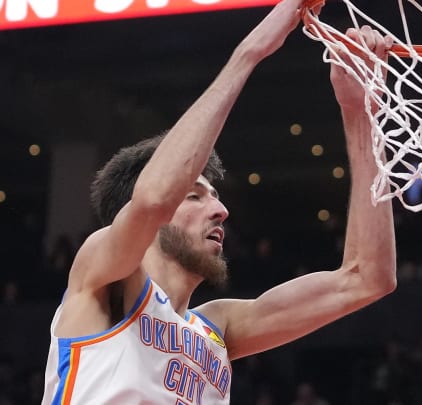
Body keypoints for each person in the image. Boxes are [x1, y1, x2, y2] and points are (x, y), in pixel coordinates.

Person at [41, 0, 397, 403]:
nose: (221, 210)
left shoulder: (217, 329)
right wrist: (250, 52)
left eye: (216, 196)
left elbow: (367, 278)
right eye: (194, 195)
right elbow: (154, 197)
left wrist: (361, 112)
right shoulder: (104, 279)